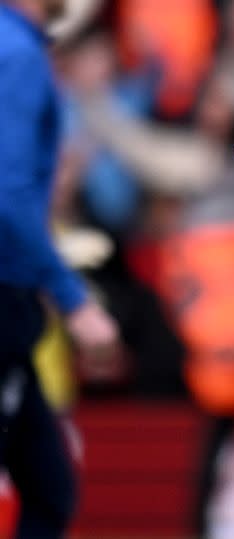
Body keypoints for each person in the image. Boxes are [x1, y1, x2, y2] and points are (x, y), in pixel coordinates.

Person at [0, 1, 119, 537]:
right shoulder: (18, 53)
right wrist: (74, 300)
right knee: (49, 491)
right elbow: (7, 196)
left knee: (49, 486)